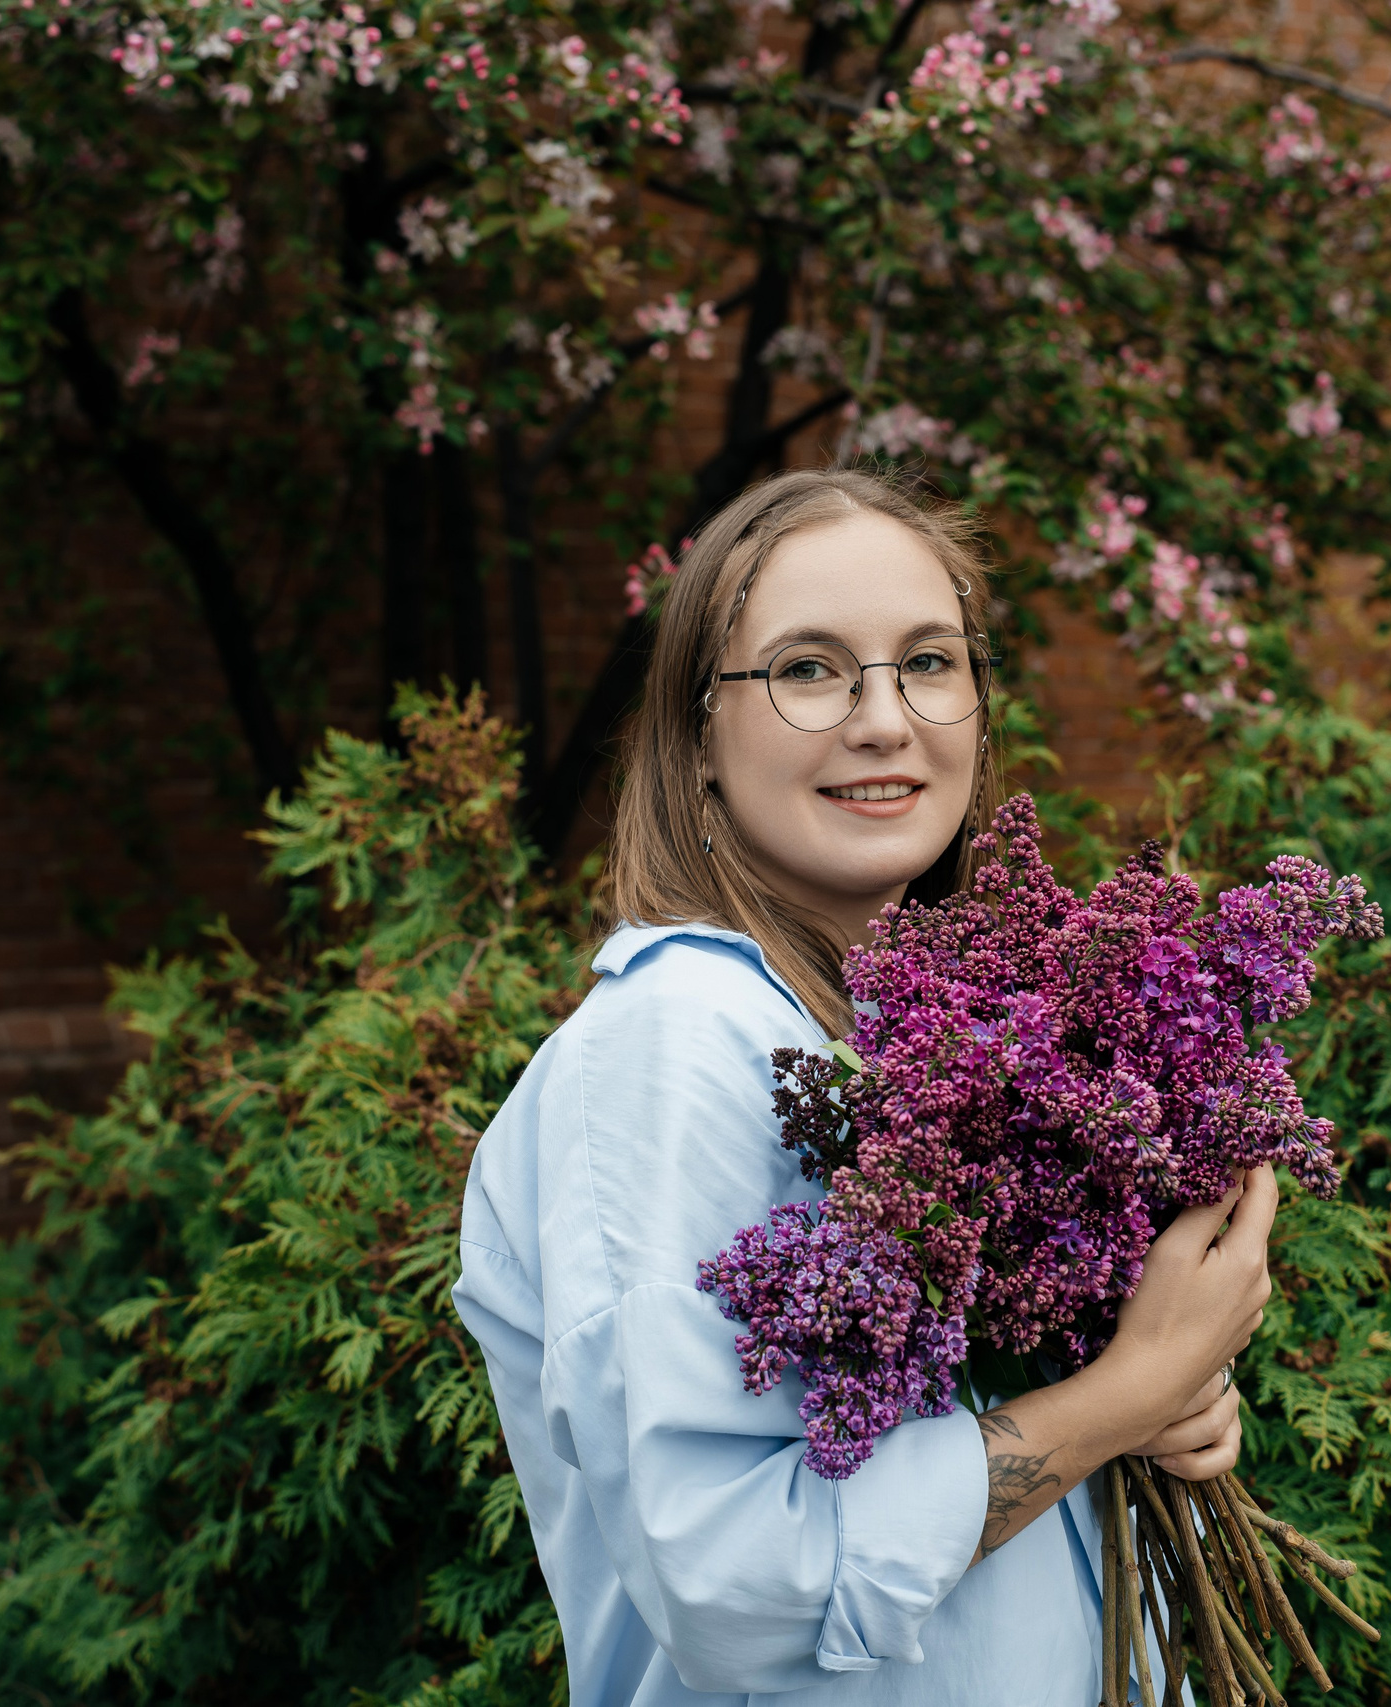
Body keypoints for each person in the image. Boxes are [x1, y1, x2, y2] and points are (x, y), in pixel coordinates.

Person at [451, 468, 1276, 1706]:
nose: (885, 720)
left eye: (928, 662)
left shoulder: (941, 1035)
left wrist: (1158, 1407)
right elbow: (731, 1584)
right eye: (808, 669)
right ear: (696, 737)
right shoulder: (674, 1043)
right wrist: (1119, 1398)